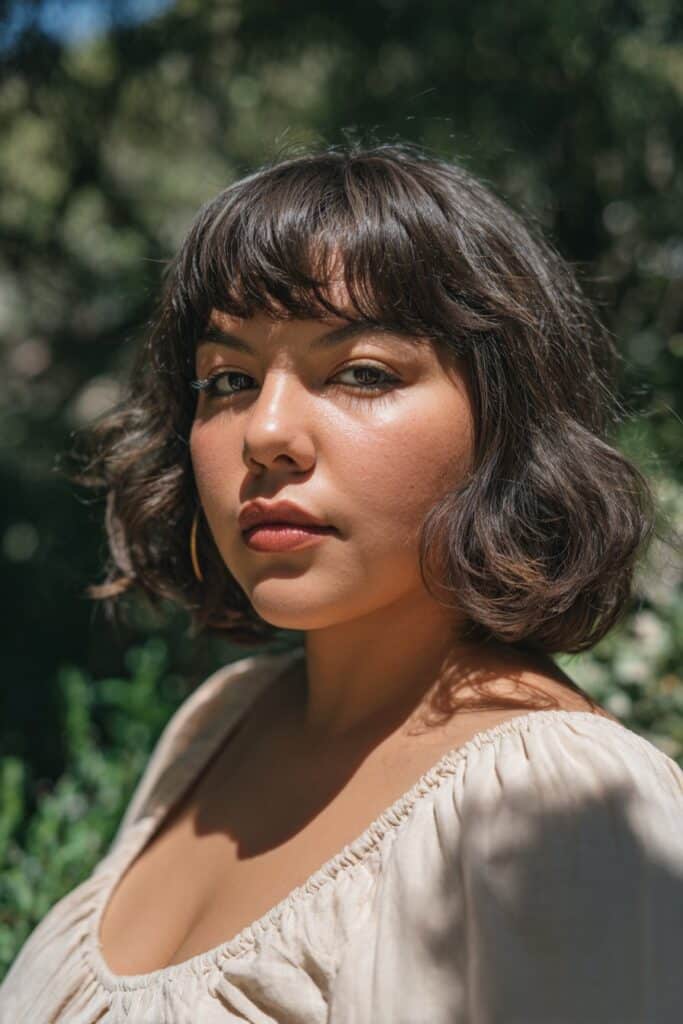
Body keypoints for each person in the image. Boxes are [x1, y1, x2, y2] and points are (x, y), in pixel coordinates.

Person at [1, 142, 681, 1023]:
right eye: (228, 380)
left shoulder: (562, 801)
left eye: (361, 372)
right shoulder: (217, 724)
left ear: (503, 425)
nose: (266, 432)